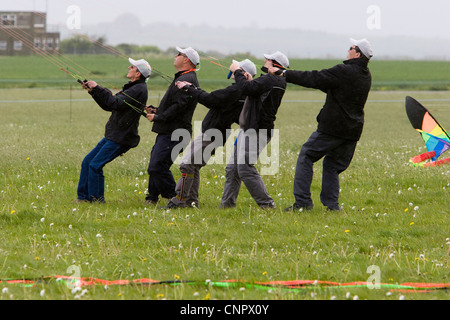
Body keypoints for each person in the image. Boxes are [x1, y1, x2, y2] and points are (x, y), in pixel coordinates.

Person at [269, 38, 373, 212]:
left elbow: (314, 78)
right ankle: (332, 207)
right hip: (353, 131)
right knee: (332, 166)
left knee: (306, 155)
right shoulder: (365, 75)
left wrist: (283, 73)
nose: (347, 50)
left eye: (351, 48)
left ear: (357, 53)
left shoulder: (344, 71)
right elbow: (334, 87)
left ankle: (302, 203)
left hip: (333, 128)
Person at [163, 59, 257, 209]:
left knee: (187, 165)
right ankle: (191, 203)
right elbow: (213, 98)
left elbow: (210, 99)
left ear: (244, 75)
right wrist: (193, 88)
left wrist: (189, 89)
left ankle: (179, 201)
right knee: (193, 166)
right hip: (216, 134)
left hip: (212, 134)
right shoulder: (243, 93)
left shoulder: (235, 91)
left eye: (237, 71)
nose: (233, 74)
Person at [76, 58, 151, 203]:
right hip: (114, 134)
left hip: (122, 137)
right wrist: (94, 92)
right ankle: (83, 198)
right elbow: (109, 106)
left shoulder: (138, 89)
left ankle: (97, 200)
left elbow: (114, 102)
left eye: (133, 67)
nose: (129, 67)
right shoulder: (133, 87)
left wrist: (98, 88)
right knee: (87, 162)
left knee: (95, 165)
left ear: (138, 74)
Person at [220, 52, 288, 209]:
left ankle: (267, 205)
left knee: (244, 168)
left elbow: (244, 88)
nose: (264, 60)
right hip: (249, 129)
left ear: (274, 63)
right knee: (232, 168)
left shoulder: (271, 79)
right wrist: (250, 81)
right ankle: (227, 206)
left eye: (268, 59)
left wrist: (237, 70)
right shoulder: (275, 80)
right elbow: (253, 90)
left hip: (256, 130)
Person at [145, 47, 200, 205]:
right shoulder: (183, 76)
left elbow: (179, 107)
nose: (175, 56)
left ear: (186, 60)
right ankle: (152, 197)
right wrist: (157, 110)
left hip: (175, 132)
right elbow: (174, 105)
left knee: (157, 166)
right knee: (156, 164)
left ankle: (175, 197)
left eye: (179, 54)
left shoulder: (187, 79)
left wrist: (158, 117)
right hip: (169, 130)